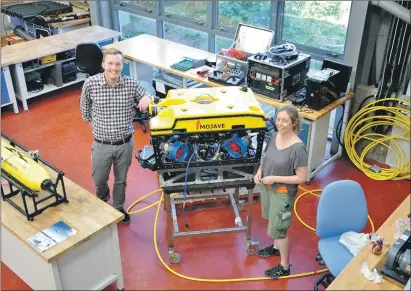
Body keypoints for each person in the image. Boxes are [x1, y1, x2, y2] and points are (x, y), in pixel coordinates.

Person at [80, 48, 153, 224]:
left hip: (125, 144)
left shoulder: (130, 84)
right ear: (103, 64)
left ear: (122, 65)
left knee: (121, 180)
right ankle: (103, 201)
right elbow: (85, 112)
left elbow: (147, 95)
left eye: (118, 64)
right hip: (101, 144)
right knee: (99, 180)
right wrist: (100, 128)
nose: (114, 67)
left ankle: (119, 207)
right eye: (110, 63)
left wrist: (147, 98)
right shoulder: (90, 84)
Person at [254, 104, 308, 279]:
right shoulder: (274, 136)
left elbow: (301, 177)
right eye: (278, 119)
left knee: (280, 230)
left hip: (282, 192)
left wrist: (275, 178)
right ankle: (275, 248)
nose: (280, 124)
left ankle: (285, 267)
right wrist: (260, 171)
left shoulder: (298, 148)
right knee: (272, 220)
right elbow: (267, 156)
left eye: (285, 121)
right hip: (269, 188)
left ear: (293, 123)